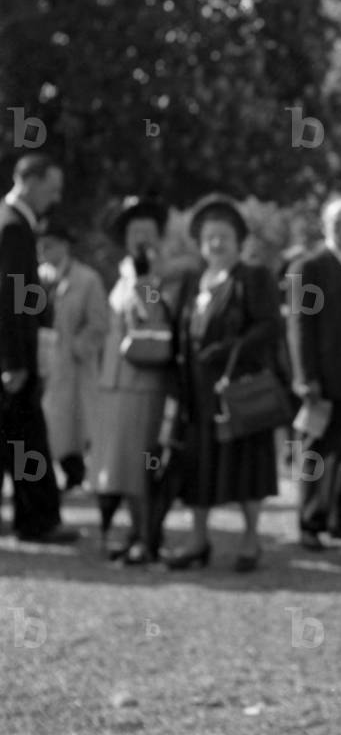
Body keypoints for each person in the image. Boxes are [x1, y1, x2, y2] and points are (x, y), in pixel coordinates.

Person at [163, 193, 281, 571]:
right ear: (199, 242)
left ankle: (250, 540)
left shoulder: (253, 276)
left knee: (244, 462)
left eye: (223, 236)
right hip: (196, 391)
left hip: (235, 389)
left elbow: (269, 326)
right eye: (209, 236)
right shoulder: (191, 281)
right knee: (196, 463)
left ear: (238, 240)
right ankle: (199, 540)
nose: (215, 243)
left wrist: (231, 347)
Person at [90, 195, 183, 563]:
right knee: (122, 466)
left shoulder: (163, 274)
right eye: (133, 231)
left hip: (143, 383)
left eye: (146, 231)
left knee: (141, 464)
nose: (139, 238)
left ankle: (148, 538)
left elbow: (156, 315)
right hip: (115, 383)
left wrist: (147, 277)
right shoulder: (125, 270)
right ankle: (134, 532)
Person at [286, 195, 341, 548]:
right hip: (321, 381)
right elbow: (298, 325)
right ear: (325, 226)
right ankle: (309, 523)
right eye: (339, 224)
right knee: (316, 453)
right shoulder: (308, 267)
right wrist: (304, 377)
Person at [0, 153, 78, 543]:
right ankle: (38, 520)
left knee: (19, 438)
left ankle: (35, 518)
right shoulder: (13, 227)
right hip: (13, 360)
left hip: (13, 356)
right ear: (29, 180)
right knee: (27, 437)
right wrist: (14, 361)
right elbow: (12, 297)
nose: (56, 197)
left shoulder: (10, 222)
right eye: (52, 187)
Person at [36, 217, 107, 493]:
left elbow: (99, 323)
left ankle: (74, 474)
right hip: (43, 360)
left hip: (73, 363)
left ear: (64, 246)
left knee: (72, 423)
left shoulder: (87, 279)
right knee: (46, 419)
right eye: (40, 246)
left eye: (49, 245)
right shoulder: (36, 277)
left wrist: (79, 347)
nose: (43, 251)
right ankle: (39, 475)